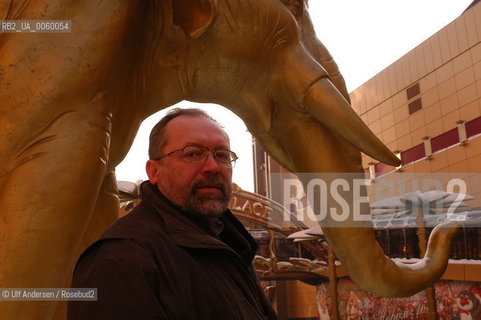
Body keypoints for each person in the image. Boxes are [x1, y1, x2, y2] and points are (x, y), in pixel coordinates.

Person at [67, 108, 278, 320]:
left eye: (222, 155)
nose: (213, 167)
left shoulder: (229, 243)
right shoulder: (121, 259)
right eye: (192, 154)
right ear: (154, 171)